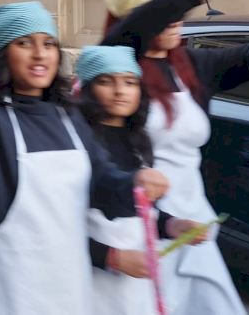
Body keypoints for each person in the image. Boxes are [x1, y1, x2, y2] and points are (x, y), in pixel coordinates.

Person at [0, 0, 168, 314]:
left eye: (49, 44)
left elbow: (102, 185)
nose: (40, 54)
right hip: (2, 288)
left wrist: (135, 184)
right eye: (24, 43)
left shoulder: (68, 117)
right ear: (3, 53)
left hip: (66, 287)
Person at [97, 0, 249, 315]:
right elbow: (144, 21)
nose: (177, 20)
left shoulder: (193, 66)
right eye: (167, 13)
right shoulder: (117, 69)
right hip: (140, 217)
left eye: (178, 12)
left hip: (194, 214)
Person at [74, 45, 211, 315]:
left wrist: (172, 224)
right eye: (105, 81)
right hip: (87, 282)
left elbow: (138, 210)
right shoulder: (76, 141)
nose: (120, 91)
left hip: (135, 286)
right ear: (88, 88)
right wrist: (110, 257)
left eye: (129, 82)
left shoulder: (139, 141)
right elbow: (59, 226)